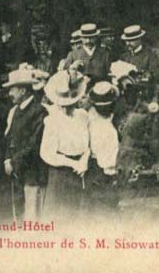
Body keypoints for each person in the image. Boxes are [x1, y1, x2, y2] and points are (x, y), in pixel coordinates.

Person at [40, 70, 90, 219]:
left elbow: (88, 144)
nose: (68, 105)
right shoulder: (53, 120)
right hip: (60, 174)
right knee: (59, 218)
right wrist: (73, 164)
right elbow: (47, 153)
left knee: (77, 218)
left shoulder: (82, 116)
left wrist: (84, 161)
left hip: (80, 174)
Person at [2, 66, 48, 219]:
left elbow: (35, 144)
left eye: (12, 90)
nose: (9, 94)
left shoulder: (39, 111)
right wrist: (8, 159)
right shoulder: (15, 111)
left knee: (32, 216)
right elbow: (9, 138)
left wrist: (14, 162)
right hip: (17, 173)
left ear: (22, 91)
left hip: (32, 174)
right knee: (19, 216)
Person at [84, 81, 120, 217]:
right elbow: (109, 163)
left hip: (92, 170)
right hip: (102, 174)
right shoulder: (106, 130)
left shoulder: (89, 118)